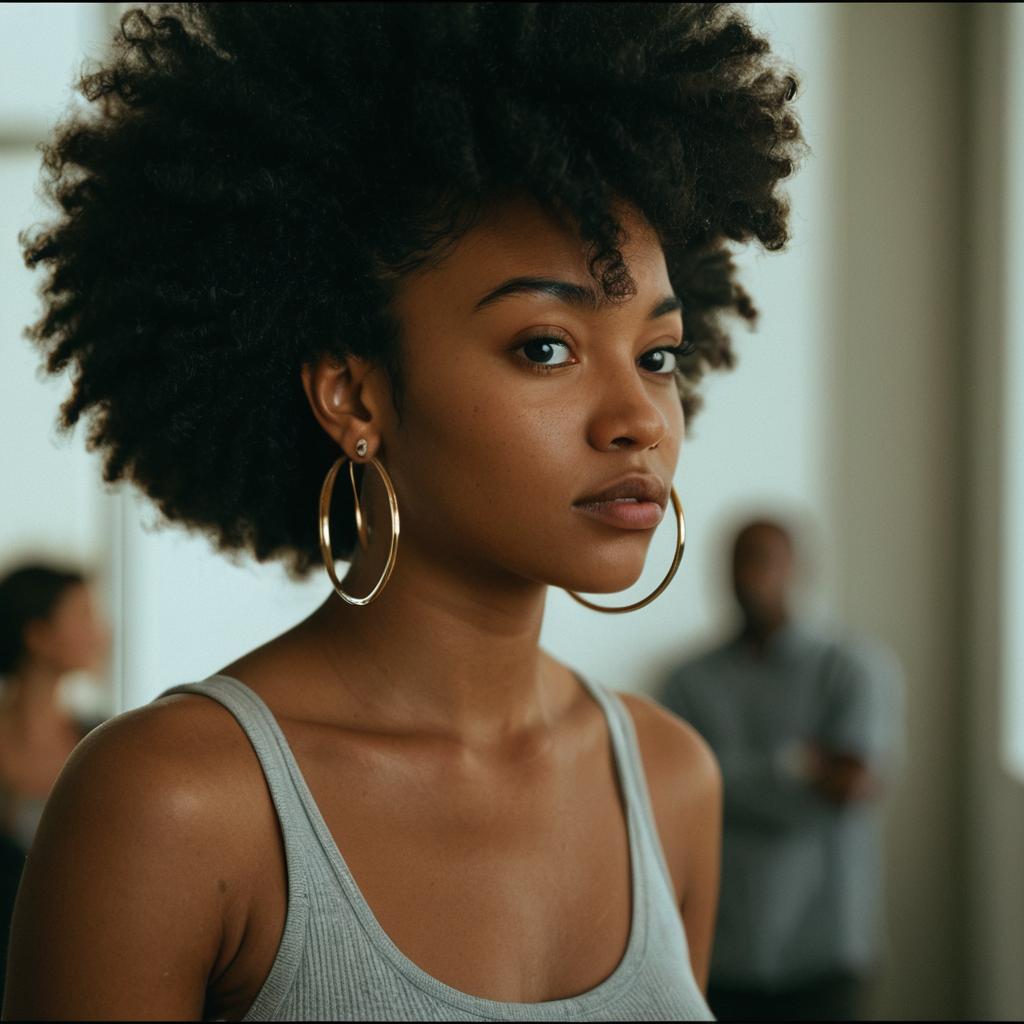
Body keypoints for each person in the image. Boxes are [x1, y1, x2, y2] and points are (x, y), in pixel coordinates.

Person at [4, 4, 804, 1020]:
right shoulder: (172, 802)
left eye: (657, 355)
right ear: (354, 396)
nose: (640, 418)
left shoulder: (668, 777)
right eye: (545, 347)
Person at [658, 518, 904, 1022]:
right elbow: (669, 795)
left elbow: (851, 784)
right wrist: (797, 768)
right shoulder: (687, 680)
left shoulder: (852, 669)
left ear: (797, 569)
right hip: (718, 947)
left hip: (824, 946)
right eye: (738, 563)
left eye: (764, 561)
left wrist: (719, 776)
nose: (750, 577)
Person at [0, 563, 110, 1011]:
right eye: (83, 615)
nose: (100, 632)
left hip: (70, 974)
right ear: (38, 634)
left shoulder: (101, 743)